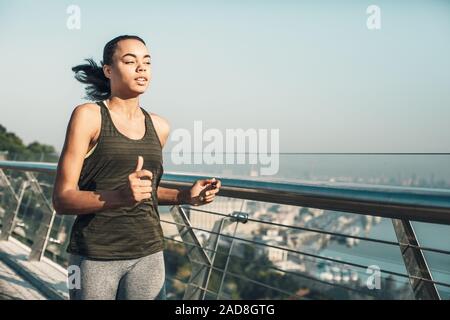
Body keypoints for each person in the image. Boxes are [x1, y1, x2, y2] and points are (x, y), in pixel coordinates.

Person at [52, 35, 221, 300]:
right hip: (95, 254)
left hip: (149, 252)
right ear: (108, 70)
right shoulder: (89, 116)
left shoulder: (160, 126)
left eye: (147, 62)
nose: (141, 68)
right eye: (130, 61)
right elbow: (62, 200)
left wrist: (185, 195)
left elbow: (146, 190)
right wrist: (120, 196)